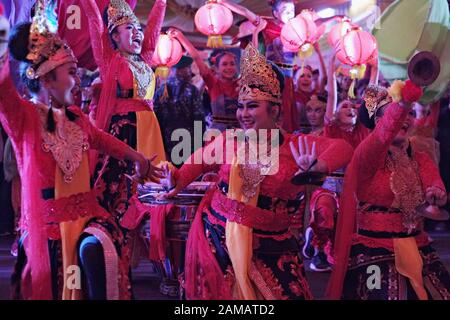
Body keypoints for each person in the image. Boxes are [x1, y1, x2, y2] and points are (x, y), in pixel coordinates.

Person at [159, 44, 353, 300]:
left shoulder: (295, 147)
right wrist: (173, 178)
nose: (243, 114)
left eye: (252, 106)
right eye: (241, 106)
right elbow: (192, 167)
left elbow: (344, 147)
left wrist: (317, 167)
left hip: (272, 246)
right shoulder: (229, 140)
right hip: (219, 238)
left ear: (274, 111)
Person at [1, 13, 161, 299]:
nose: (78, 81)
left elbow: (106, 141)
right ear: (48, 78)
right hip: (46, 229)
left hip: (88, 219)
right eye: (71, 73)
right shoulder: (23, 117)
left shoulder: (77, 117)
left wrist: (140, 159)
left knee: (100, 248)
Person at [328, 81, 450, 300]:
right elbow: (384, 133)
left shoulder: (420, 157)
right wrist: (402, 104)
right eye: (395, 115)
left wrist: (437, 193)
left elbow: (434, 181)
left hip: (417, 245)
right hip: (375, 249)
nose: (404, 119)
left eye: (410, 114)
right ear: (376, 122)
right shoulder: (368, 156)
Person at [80, 0, 166, 222]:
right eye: (129, 28)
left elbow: (154, 29)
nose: (137, 32)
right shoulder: (110, 60)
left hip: (149, 129)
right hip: (125, 131)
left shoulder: (144, 59)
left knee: (151, 188)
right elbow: (95, 21)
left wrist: (161, 3)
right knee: (118, 188)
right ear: (115, 37)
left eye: (138, 28)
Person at [169, 28, 240, 132]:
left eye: (232, 64)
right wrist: (180, 36)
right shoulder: (213, 83)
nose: (229, 67)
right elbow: (197, 58)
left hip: (240, 134)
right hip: (218, 135)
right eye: (224, 64)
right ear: (216, 69)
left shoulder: (241, 84)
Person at [153, 56, 205, 165]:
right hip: (189, 144)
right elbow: (199, 119)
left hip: (166, 143)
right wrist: (200, 147)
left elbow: (155, 121)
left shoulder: (160, 91)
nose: (190, 72)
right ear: (183, 70)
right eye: (189, 68)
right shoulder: (191, 90)